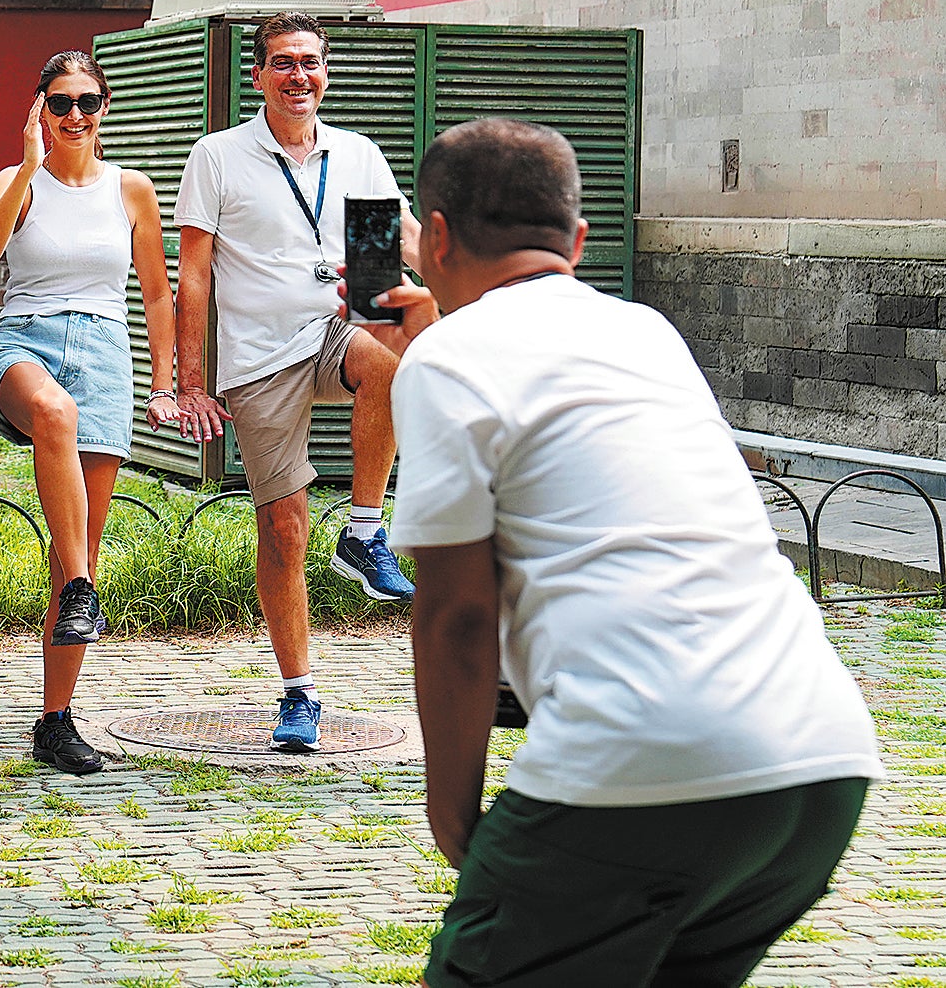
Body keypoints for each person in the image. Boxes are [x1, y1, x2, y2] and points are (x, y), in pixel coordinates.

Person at [376, 118, 879, 988]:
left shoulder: (448, 358)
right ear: (576, 241)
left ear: (439, 238)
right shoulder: (649, 333)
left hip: (643, 759)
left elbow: (456, 612)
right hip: (818, 763)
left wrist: (453, 813)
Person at [172, 11, 419, 753]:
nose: (297, 76)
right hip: (258, 358)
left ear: (326, 73)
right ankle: (299, 693)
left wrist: (454, 266)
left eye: (309, 62)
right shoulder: (217, 156)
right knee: (283, 531)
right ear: (259, 76)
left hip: (333, 330)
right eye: (282, 62)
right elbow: (191, 275)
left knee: (387, 365)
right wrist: (191, 382)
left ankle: (367, 531)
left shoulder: (357, 153)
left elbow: (385, 256)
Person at [0, 51, 175, 777]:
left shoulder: (132, 190)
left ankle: (55, 722)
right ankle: (88, 587)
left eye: (88, 103)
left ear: (105, 108)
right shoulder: (15, 179)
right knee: (51, 414)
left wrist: (164, 383)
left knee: (71, 550)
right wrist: (27, 165)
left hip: (106, 355)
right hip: (24, 342)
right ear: (40, 109)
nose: (75, 117)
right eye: (61, 104)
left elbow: (156, 293)